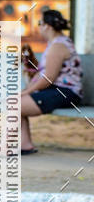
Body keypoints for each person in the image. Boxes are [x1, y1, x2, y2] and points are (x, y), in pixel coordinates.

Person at [21, 9, 83, 154]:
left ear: (47, 26)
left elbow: (48, 78)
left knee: (14, 105)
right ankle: (24, 144)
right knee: (14, 103)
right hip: (56, 91)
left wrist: (26, 93)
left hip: (66, 92)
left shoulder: (58, 47)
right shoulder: (55, 43)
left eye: (40, 23)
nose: (39, 27)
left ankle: (2, 147)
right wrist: (25, 92)